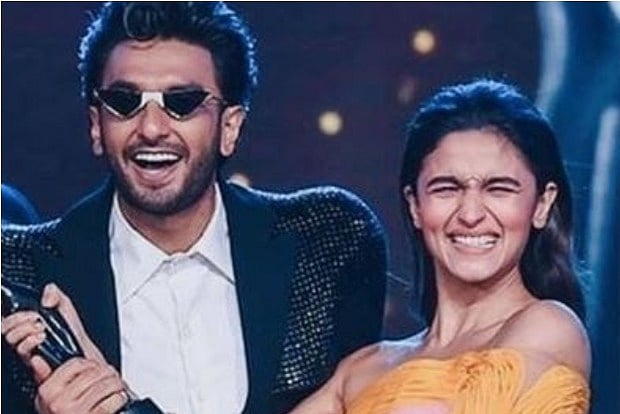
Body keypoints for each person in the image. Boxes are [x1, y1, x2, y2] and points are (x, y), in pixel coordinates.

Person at [1, 2, 387, 414]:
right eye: (124, 102)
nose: (151, 129)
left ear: (229, 127)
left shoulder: (326, 241)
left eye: (182, 103)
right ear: (97, 125)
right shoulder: (18, 274)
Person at [289, 78, 591, 414]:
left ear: (542, 205)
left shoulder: (549, 328)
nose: (471, 215)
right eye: (446, 189)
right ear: (415, 205)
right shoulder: (361, 369)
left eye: (499, 189)